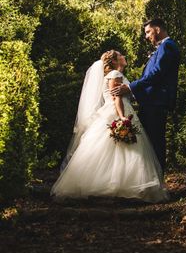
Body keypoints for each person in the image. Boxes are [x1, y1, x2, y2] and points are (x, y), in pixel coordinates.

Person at [51, 50, 167, 202]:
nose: (124, 57)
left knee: (117, 148)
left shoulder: (113, 75)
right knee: (122, 148)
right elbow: (116, 98)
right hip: (117, 111)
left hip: (115, 110)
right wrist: (122, 117)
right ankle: (119, 186)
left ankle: (114, 184)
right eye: (121, 56)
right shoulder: (114, 75)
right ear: (114, 61)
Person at [111, 19, 180, 173]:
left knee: (155, 143)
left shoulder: (168, 46)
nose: (147, 36)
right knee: (148, 143)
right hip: (151, 102)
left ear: (157, 29)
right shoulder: (162, 47)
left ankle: (157, 183)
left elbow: (156, 74)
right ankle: (149, 179)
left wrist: (130, 87)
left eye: (148, 32)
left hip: (156, 103)